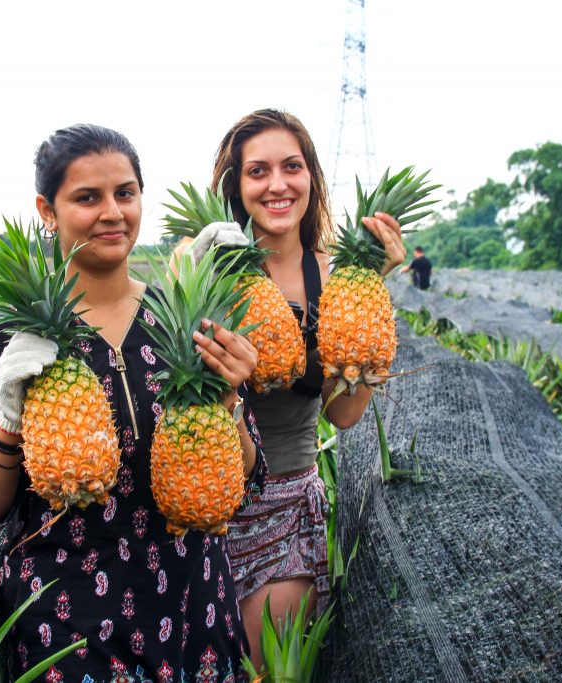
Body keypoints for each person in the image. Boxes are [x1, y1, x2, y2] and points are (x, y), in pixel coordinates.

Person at [0, 124, 267, 682]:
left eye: (125, 193)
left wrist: (232, 397)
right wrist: (10, 427)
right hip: (67, 619)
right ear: (48, 209)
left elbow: (248, 479)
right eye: (87, 197)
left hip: (193, 606)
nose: (112, 213)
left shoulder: (184, 321)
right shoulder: (7, 342)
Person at [186, 108, 406, 671]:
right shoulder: (202, 267)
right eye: (257, 171)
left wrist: (366, 302)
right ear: (235, 185)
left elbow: (344, 414)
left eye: (292, 166)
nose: (277, 184)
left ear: (312, 177)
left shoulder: (333, 276)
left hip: (285, 507)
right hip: (195, 502)